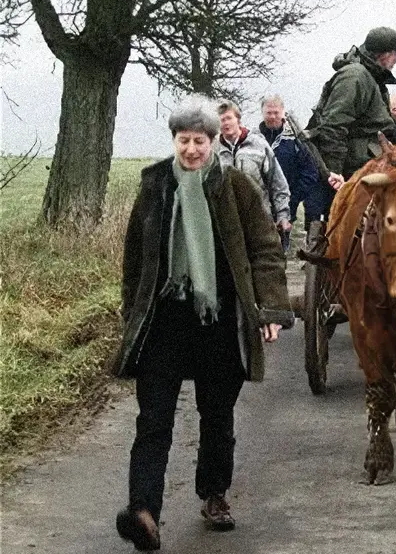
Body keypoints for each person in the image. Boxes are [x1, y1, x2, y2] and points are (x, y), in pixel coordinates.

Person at [113, 96, 294, 551]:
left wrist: (269, 311)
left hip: (220, 321)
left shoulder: (236, 187)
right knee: (153, 420)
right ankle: (144, 511)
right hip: (164, 321)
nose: (191, 149)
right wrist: (129, 312)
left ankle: (214, 495)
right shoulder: (155, 185)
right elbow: (134, 258)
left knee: (217, 415)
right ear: (174, 141)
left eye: (200, 141)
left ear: (214, 142)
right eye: (183, 140)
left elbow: (265, 250)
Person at [303, 26, 396, 217]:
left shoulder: (371, 77)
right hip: (348, 175)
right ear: (384, 54)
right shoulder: (355, 77)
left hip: (364, 171)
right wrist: (334, 172)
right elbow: (333, 126)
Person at [215, 99, 292, 238]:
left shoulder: (258, 144)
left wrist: (283, 215)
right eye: (221, 120)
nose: (225, 123)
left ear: (238, 120)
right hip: (227, 224)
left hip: (260, 219)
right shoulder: (212, 151)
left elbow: (278, 183)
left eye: (228, 118)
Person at [256, 93, 319, 227]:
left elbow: (311, 174)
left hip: (286, 212)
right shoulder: (253, 140)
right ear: (262, 113)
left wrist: (292, 199)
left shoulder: (295, 141)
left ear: (283, 112)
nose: (272, 116)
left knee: (280, 247)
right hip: (256, 210)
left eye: (276, 113)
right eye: (268, 113)